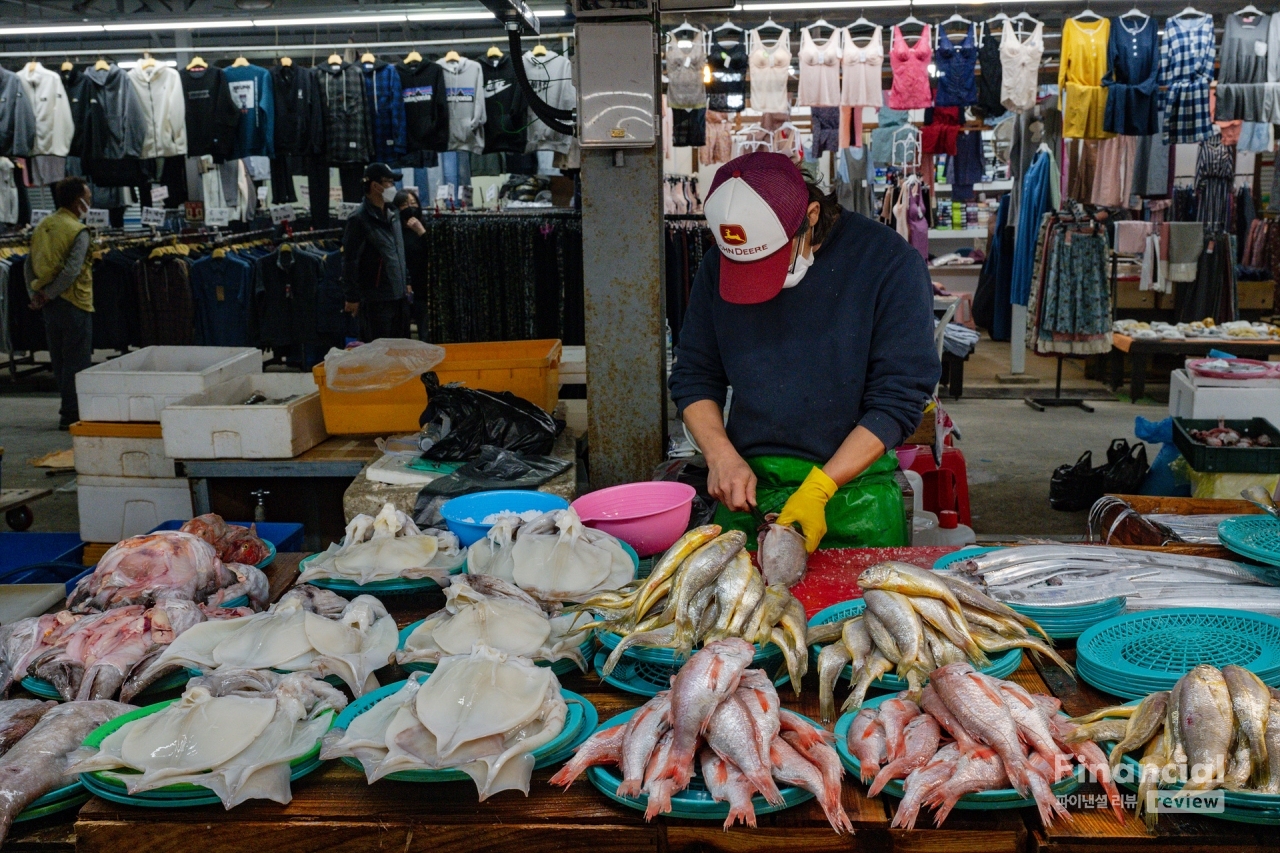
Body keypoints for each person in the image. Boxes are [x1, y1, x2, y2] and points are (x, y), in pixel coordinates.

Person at [669, 152, 941, 552]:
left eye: (774, 259)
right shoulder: (720, 262)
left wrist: (820, 487)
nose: (766, 280)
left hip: (854, 493)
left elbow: (898, 399)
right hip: (748, 493)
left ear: (811, 214)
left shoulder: (888, 263)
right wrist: (720, 455)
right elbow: (694, 373)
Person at [27, 176, 94, 430]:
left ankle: (67, 407)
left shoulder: (43, 224)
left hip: (49, 305)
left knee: (59, 360)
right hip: (75, 301)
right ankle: (71, 414)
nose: (90, 202)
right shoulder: (78, 230)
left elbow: (28, 264)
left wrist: (37, 295)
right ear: (78, 202)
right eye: (88, 199)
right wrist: (52, 293)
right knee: (77, 360)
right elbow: (71, 271)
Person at [342, 163, 411, 341]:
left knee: (400, 351)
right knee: (379, 353)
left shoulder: (393, 214)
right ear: (375, 186)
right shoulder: (359, 220)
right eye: (389, 182)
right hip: (376, 300)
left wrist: (407, 280)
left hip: (399, 296)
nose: (393, 188)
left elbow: (399, 252)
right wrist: (352, 296)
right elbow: (350, 261)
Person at [393, 188, 429, 340]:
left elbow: (435, 253)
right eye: (405, 205)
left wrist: (422, 231)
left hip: (423, 288)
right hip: (401, 290)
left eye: (413, 203)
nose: (410, 208)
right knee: (402, 334)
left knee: (425, 333)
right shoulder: (394, 231)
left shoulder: (426, 227)